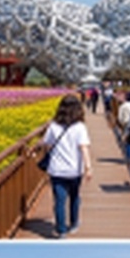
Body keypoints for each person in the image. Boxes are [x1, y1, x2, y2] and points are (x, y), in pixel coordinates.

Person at [41, 93, 92, 238]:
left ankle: (61, 230)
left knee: (59, 201)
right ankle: (74, 223)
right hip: (75, 170)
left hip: (57, 170)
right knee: (75, 197)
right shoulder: (80, 127)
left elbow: (47, 145)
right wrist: (88, 167)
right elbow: (84, 148)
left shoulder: (53, 125)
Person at [116, 90, 130, 168]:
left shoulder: (123, 106)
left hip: (126, 124)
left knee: (128, 141)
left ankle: (129, 158)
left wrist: (122, 124)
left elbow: (120, 118)